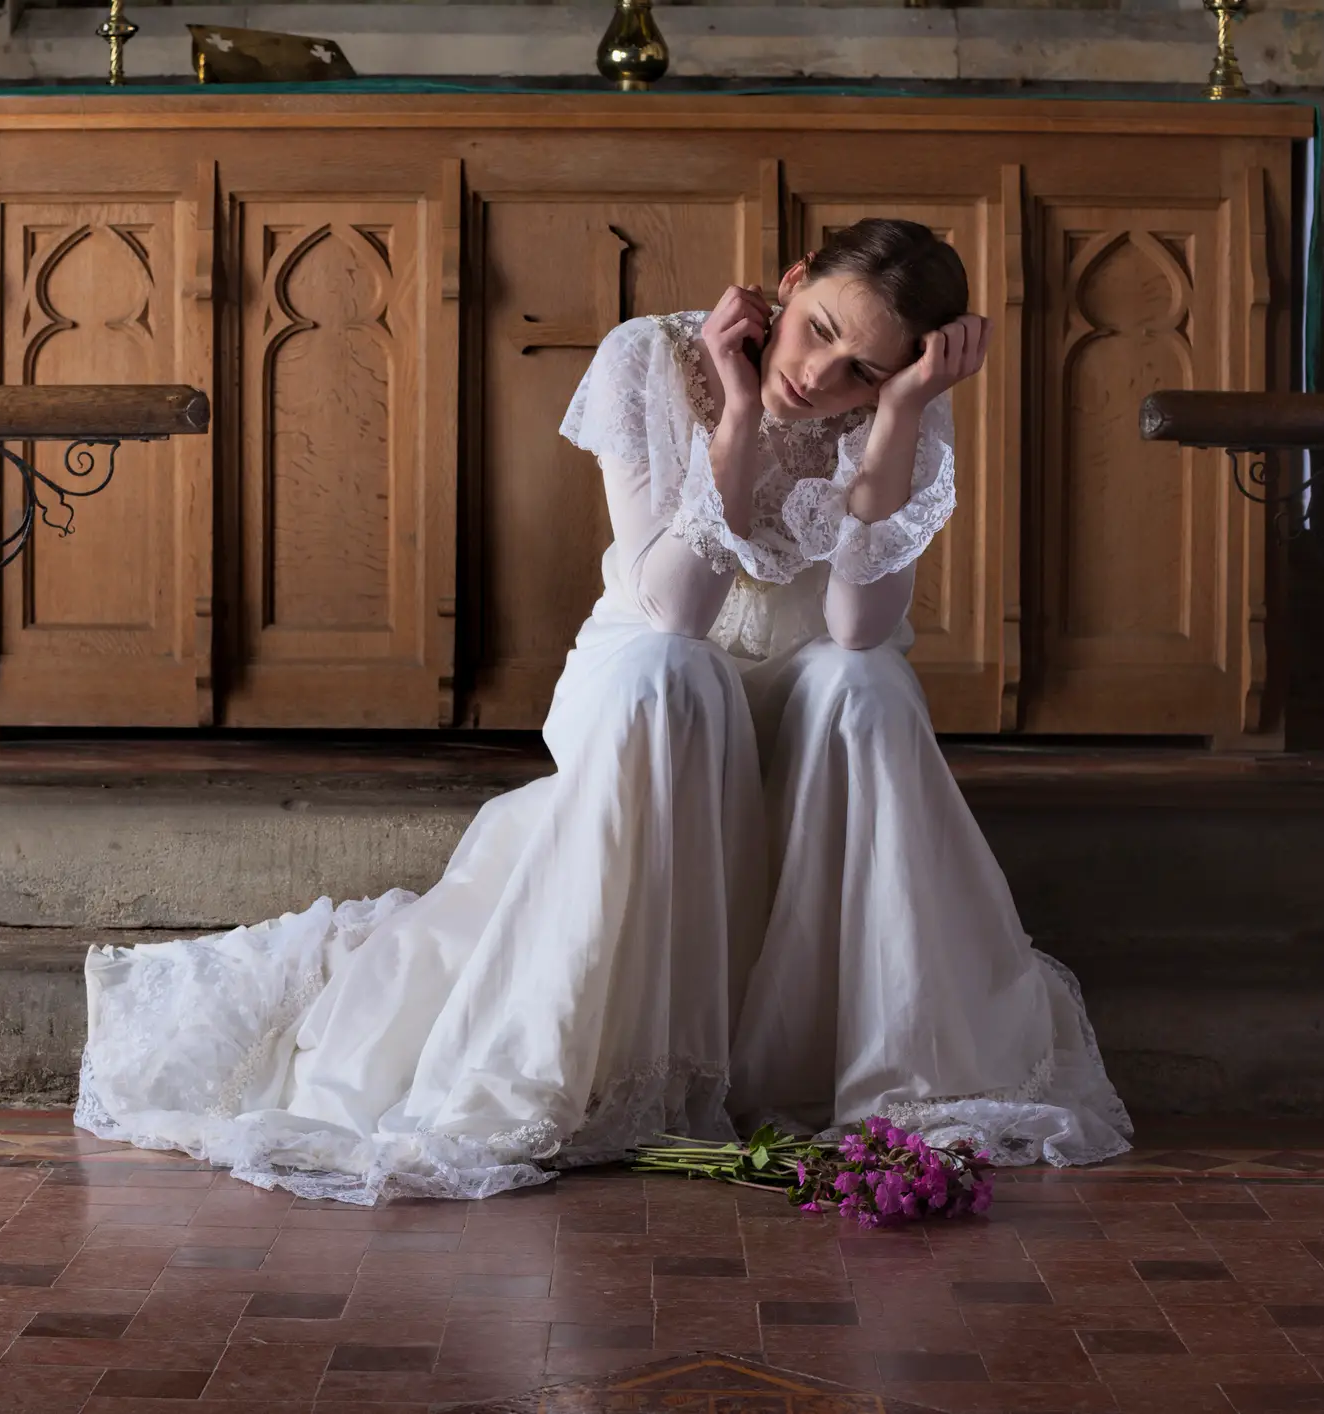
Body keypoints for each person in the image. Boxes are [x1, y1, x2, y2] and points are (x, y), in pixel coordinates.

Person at [76, 219, 1132, 1205]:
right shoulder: (651, 357)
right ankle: (617, 1064)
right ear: (794, 281)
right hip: (653, 676)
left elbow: (857, 627)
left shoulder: (891, 405)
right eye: (817, 334)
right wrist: (739, 411)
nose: (822, 376)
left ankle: (878, 1064)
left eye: (866, 369)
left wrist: (899, 418)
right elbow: (675, 604)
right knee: (676, 673)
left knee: (869, 682)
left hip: (807, 697)